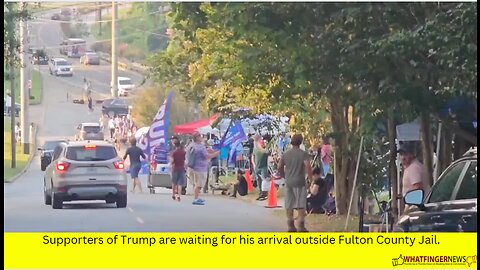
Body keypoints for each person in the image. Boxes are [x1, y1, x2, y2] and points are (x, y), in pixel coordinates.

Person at [278, 134, 313, 232]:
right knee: (301, 203)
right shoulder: (303, 154)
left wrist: (283, 176)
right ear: (300, 142)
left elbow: (279, 166)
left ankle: (290, 225)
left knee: (289, 204)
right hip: (300, 182)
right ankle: (301, 225)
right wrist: (310, 179)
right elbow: (307, 166)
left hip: (289, 182)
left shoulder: (286, 154)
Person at [188, 132, 219, 205]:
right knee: (199, 184)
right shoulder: (200, 147)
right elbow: (206, 156)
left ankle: (197, 197)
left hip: (194, 167)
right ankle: (195, 198)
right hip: (201, 168)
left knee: (196, 183)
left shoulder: (193, 145)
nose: (202, 137)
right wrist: (215, 154)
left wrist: (208, 149)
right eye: (201, 136)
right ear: (197, 138)